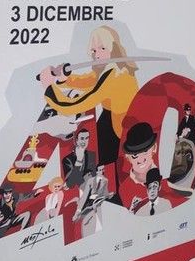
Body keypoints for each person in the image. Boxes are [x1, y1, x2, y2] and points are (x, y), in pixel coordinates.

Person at [39, 26, 139, 165]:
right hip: (111, 117)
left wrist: (49, 87)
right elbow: (91, 79)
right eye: (94, 50)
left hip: (120, 129)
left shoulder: (116, 75)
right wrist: (65, 78)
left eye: (102, 48)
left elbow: (75, 105)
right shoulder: (114, 67)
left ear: (113, 47)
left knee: (99, 161)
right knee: (92, 154)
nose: (97, 55)